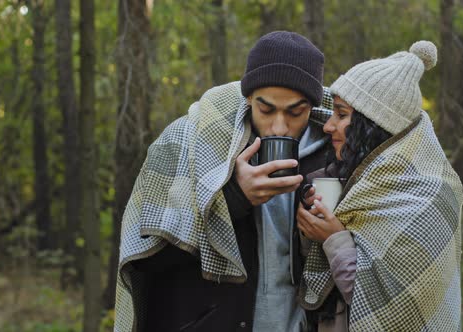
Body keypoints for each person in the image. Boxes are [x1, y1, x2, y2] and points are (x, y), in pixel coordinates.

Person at [114, 31, 333, 332]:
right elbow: (144, 260)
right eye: (266, 109)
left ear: (312, 106)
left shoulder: (336, 151)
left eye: (296, 112)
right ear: (248, 99)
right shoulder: (193, 141)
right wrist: (232, 198)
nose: (278, 126)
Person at [296, 41, 463, 331]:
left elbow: (392, 309)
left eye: (341, 114)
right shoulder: (361, 180)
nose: (328, 125)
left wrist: (334, 239)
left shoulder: (427, 196)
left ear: (370, 123)